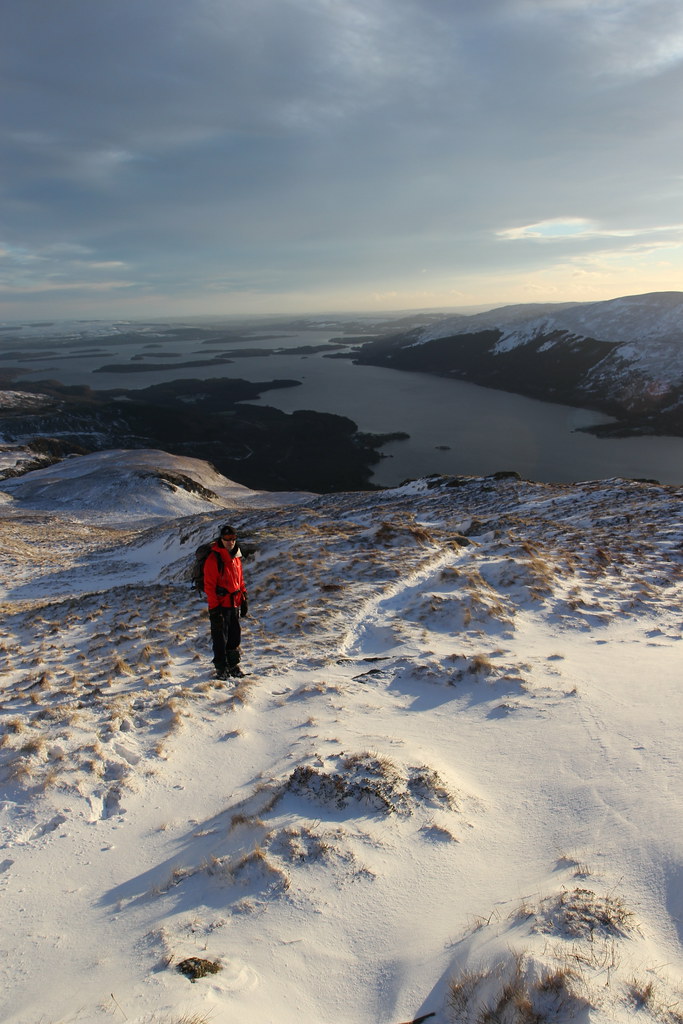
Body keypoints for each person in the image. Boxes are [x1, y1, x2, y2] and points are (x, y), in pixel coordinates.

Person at [204, 524, 248, 680]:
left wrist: (244, 598)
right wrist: (214, 610)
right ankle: (221, 668)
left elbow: (240, 579)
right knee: (220, 638)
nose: (230, 542)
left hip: (234, 603)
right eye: (227, 539)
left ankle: (233, 665)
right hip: (221, 605)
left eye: (233, 538)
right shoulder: (213, 558)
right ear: (221, 539)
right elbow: (209, 586)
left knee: (234, 636)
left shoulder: (236, 556)